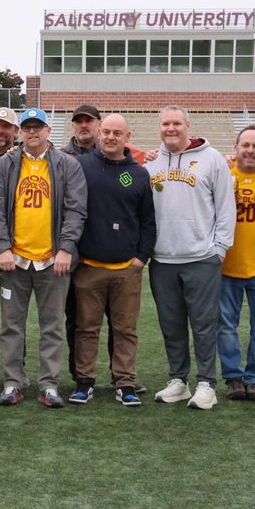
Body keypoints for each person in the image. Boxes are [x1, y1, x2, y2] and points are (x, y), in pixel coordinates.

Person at [0, 107, 87, 408]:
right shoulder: (5, 164)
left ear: (47, 131)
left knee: (52, 326)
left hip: (52, 262)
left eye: (37, 127)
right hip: (14, 261)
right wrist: (2, 248)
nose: (32, 132)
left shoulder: (67, 165)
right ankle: (13, 382)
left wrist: (66, 248)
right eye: (27, 127)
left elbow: (76, 209)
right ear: (20, 132)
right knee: (11, 326)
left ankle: (49, 384)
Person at [146, 106, 235, 410]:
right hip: (162, 259)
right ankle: (178, 380)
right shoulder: (151, 163)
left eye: (176, 123)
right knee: (171, 324)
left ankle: (207, 383)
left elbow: (226, 207)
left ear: (188, 126)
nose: (170, 128)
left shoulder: (212, 159)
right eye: (165, 123)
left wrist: (220, 248)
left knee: (204, 324)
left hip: (201, 257)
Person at [70, 114, 155, 407]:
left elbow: (148, 220)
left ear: (127, 137)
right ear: (98, 133)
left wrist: (141, 258)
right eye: (106, 131)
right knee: (86, 328)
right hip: (89, 267)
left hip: (126, 269)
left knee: (125, 330)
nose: (110, 137)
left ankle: (125, 382)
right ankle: (84, 381)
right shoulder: (81, 166)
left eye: (117, 133)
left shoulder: (139, 174)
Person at [218, 125, 255, 401]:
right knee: (226, 326)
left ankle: (254, 380)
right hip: (227, 266)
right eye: (245, 145)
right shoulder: (223, 173)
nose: (250, 150)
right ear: (236, 147)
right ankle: (233, 378)